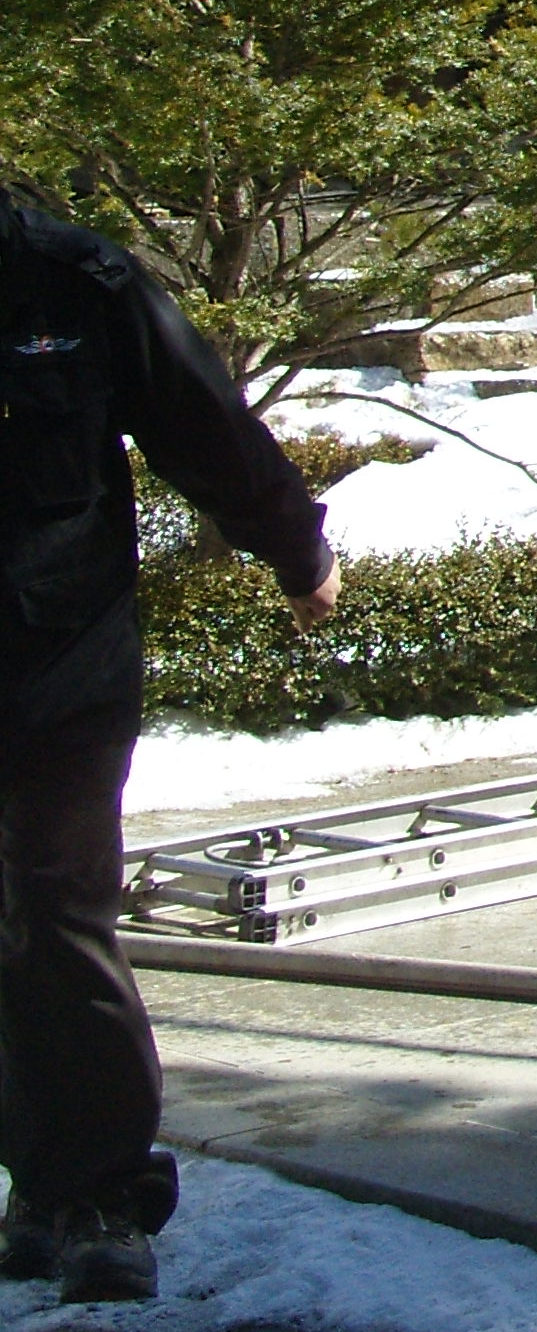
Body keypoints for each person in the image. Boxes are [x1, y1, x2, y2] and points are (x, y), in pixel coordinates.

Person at [0, 201, 334, 1305]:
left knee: (57, 911)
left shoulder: (77, 283)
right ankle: (40, 1182)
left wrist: (294, 547)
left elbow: (203, 423)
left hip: (60, 658)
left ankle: (95, 1195)